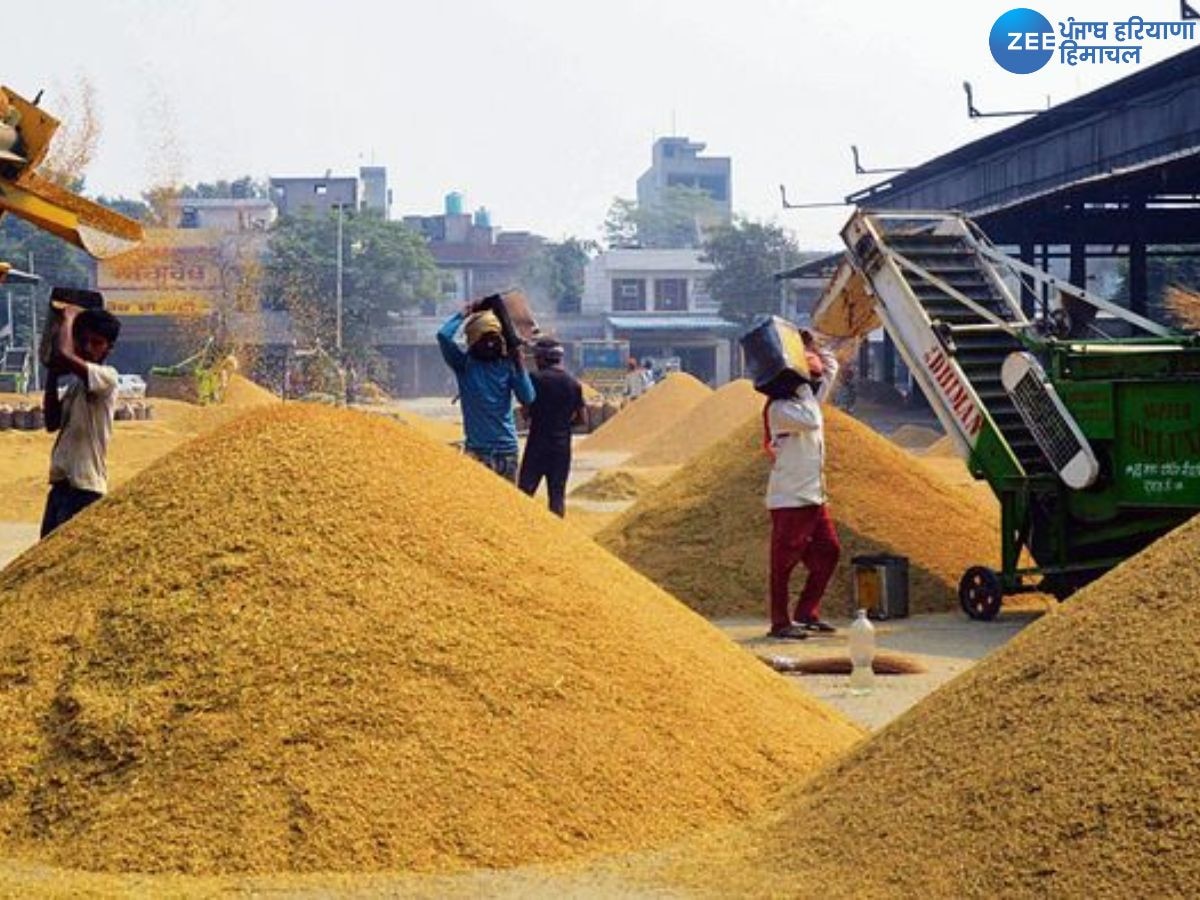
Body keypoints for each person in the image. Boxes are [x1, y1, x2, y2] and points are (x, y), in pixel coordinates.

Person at [762, 330, 841, 640]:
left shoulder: (802, 401)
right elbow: (811, 419)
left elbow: (829, 374)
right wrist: (804, 379)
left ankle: (807, 611)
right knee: (783, 564)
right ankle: (779, 622)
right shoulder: (780, 409)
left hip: (813, 494)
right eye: (808, 376)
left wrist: (816, 348)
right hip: (790, 498)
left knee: (829, 552)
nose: (815, 381)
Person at [41, 305, 122, 538]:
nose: (87, 348)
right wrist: (53, 374)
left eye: (96, 343)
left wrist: (68, 317)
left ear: (109, 349)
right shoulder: (76, 386)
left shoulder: (107, 378)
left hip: (85, 490)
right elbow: (51, 423)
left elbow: (66, 355)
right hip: (60, 487)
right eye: (83, 341)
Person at [437, 300, 535, 481]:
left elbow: (528, 397)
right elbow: (443, 336)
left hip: (505, 452)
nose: (491, 344)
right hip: (480, 453)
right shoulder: (465, 365)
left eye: (494, 338)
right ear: (473, 342)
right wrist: (464, 313)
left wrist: (520, 364)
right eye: (485, 339)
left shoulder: (507, 366)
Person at [518, 338, 584, 517]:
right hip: (561, 447)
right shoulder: (574, 384)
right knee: (557, 496)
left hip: (537, 445)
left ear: (541, 358)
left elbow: (525, 413)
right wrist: (562, 424)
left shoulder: (534, 379)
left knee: (524, 493)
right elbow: (581, 419)